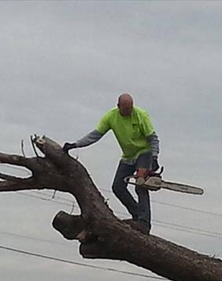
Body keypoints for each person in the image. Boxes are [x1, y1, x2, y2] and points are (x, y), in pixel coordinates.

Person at [63, 93, 160, 234]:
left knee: (140, 183)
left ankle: (144, 222)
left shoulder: (141, 115)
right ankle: (137, 215)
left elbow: (153, 139)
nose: (128, 112)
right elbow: (95, 135)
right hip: (128, 157)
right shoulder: (110, 117)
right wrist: (75, 145)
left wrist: (154, 158)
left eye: (130, 109)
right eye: (125, 109)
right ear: (118, 106)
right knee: (118, 187)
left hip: (144, 153)